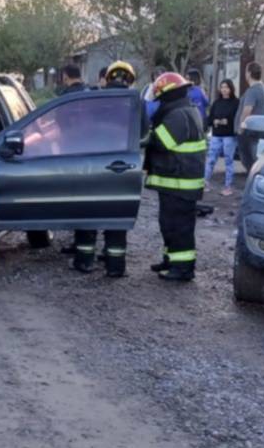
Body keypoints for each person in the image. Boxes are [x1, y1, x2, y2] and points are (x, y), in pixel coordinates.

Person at [71, 59, 138, 278]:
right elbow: (144, 136)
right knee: (116, 216)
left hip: (91, 165)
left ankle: (84, 262)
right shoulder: (135, 103)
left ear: (107, 78)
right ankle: (115, 267)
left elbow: (79, 132)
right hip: (121, 167)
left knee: (87, 213)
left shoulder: (93, 99)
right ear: (129, 80)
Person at [146, 72, 207, 282]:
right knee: (169, 223)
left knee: (180, 226)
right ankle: (171, 260)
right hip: (176, 181)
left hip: (181, 183)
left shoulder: (179, 115)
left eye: (161, 98)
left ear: (168, 95)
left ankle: (183, 269)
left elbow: (161, 141)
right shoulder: (183, 110)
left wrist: (144, 134)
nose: (160, 103)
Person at [204, 79, 241, 195]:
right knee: (211, 159)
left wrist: (227, 122)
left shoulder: (236, 102)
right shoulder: (217, 103)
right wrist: (214, 121)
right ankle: (205, 183)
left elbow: (237, 118)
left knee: (228, 161)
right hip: (216, 135)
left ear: (231, 89)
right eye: (222, 87)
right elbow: (209, 119)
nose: (224, 90)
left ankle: (228, 187)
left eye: (226, 87)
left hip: (229, 136)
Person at [239, 62, 264, 170]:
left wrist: (241, 126)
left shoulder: (253, 91)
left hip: (248, 130)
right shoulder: (263, 88)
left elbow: (247, 110)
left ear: (249, 73)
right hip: (257, 129)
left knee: (248, 160)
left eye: (246, 71)